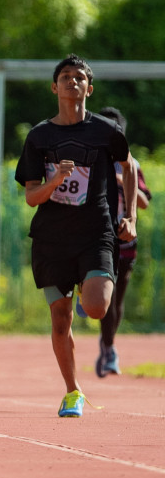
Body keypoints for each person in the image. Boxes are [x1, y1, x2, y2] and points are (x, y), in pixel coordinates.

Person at [14, 57, 136, 417]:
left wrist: (129, 216)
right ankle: (73, 392)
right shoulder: (40, 137)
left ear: (89, 88)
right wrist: (53, 181)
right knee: (60, 319)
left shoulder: (106, 131)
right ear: (55, 87)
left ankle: (89, 285)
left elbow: (129, 167)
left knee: (97, 308)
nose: (72, 82)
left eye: (79, 77)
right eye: (65, 77)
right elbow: (31, 196)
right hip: (52, 240)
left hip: (95, 233)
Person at [94, 107, 151, 378]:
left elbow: (144, 202)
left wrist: (121, 178)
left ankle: (108, 345)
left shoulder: (132, 164)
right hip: (96, 236)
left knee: (116, 301)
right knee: (104, 295)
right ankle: (107, 344)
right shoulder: (91, 156)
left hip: (125, 239)